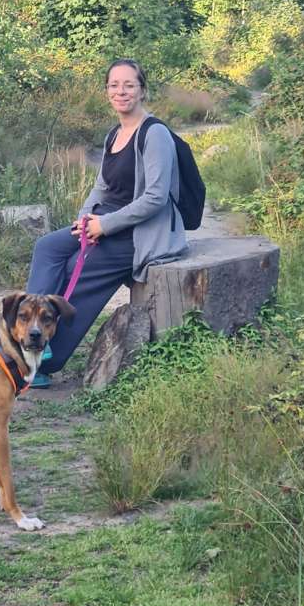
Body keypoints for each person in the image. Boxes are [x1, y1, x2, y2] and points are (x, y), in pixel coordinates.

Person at [26, 58, 188, 387]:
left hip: (141, 233)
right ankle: (28, 335)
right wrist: (85, 220)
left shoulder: (155, 134)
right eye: (114, 85)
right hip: (106, 221)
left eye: (129, 84)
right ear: (106, 91)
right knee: (48, 247)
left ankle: (47, 359)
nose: (121, 91)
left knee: (79, 267)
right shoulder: (115, 133)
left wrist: (106, 226)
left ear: (142, 89)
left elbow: (155, 198)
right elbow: (101, 186)